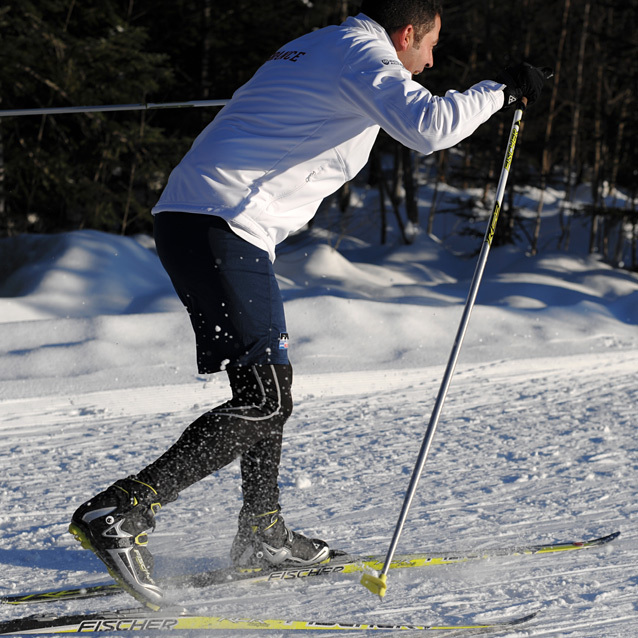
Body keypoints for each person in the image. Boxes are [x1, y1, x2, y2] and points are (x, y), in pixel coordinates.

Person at [69, 0, 546, 610]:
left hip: (207, 220)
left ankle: (262, 533)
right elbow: (429, 129)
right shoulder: (364, 55)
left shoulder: (322, 45)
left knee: (267, 391)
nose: (429, 63)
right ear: (405, 34)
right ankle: (122, 510)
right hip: (222, 223)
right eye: (429, 48)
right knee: (266, 401)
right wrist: (499, 91)